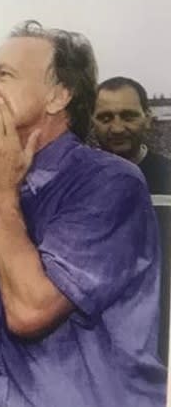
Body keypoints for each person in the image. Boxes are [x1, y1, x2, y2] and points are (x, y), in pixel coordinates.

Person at [0, 21, 166, 407]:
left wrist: (1, 196)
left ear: (58, 96)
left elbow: (29, 312)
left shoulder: (111, 183)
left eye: (3, 74)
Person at [93, 76, 171, 363]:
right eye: (105, 117)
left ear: (148, 118)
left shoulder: (168, 178)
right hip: (96, 345)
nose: (116, 128)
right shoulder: (77, 184)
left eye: (128, 116)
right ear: (92, 121)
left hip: (158, 341)